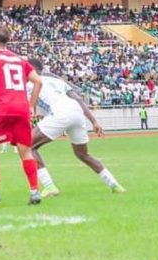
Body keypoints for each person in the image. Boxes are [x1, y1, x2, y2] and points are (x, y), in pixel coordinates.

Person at [27, 59, 125, 197]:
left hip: (60, 113)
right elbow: (78, 99)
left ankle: (49, 186)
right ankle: (114, 184)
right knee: (83, 154)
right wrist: (94, 121)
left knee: (28, 145)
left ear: (32, 69)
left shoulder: (30, 84)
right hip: (76, 112)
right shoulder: (56, 81)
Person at [0, 27, 43, 207]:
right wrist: (31, 106)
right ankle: (35, 191)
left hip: (2, 108)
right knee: (26, 151)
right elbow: (38, 81)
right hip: (21, 109)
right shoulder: (20, 60)